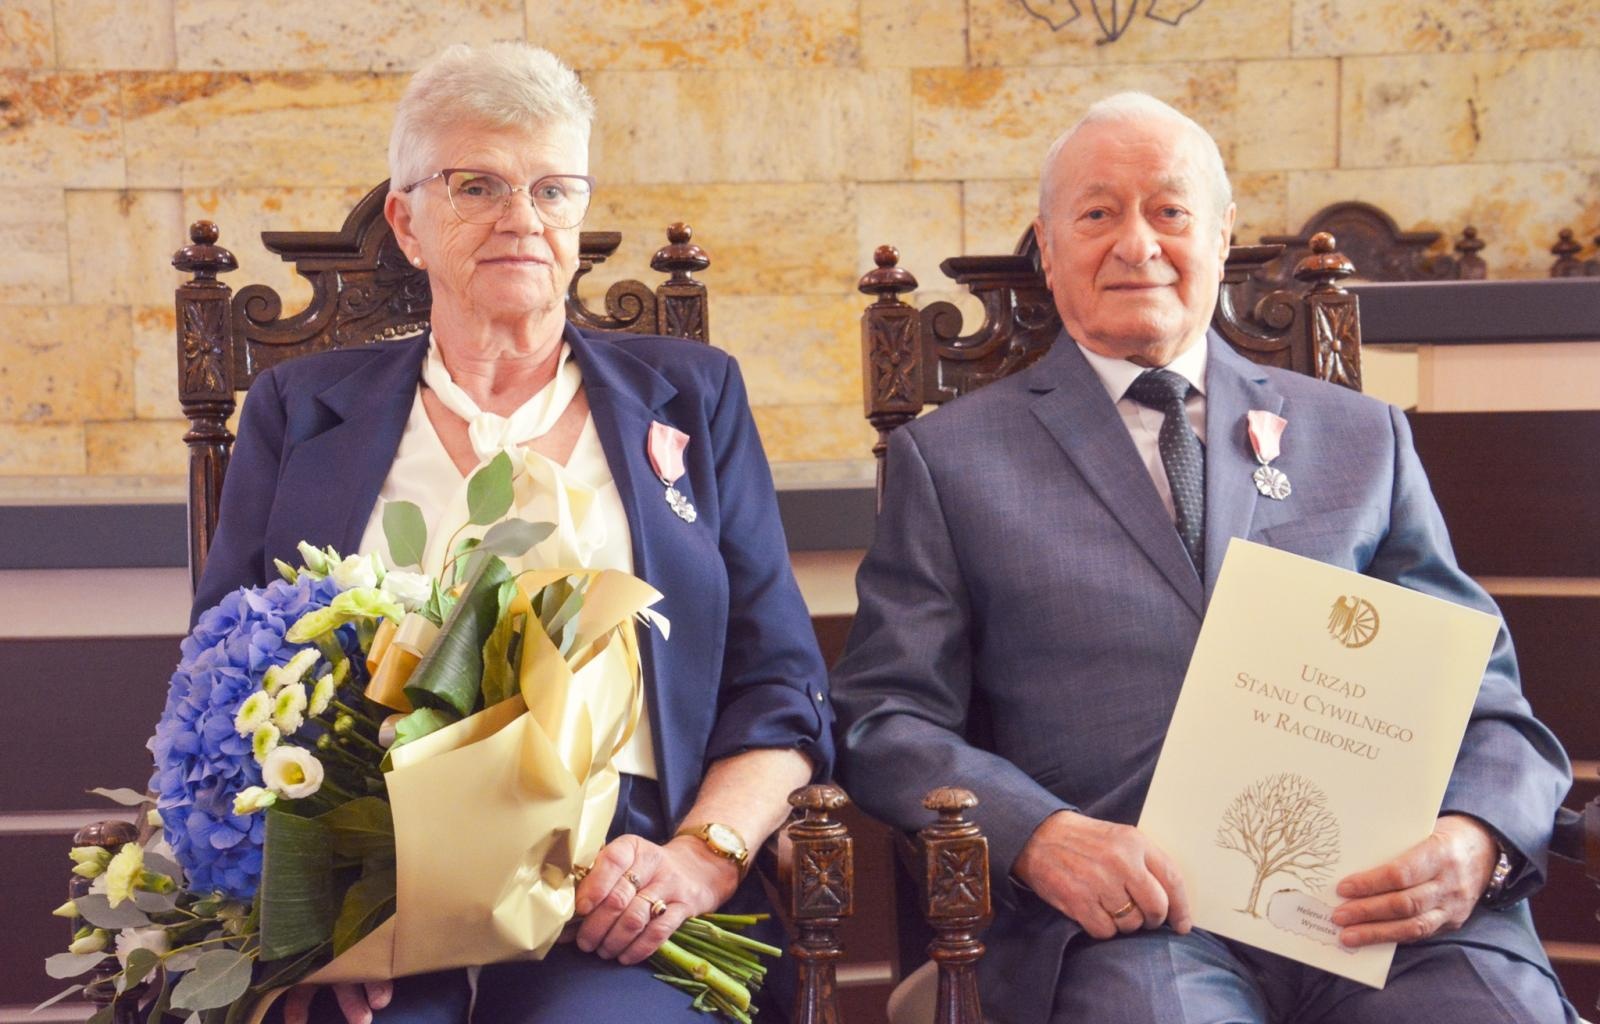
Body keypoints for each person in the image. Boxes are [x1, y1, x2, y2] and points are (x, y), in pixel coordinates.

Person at [830, 92, 1575, 1024]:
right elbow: (884, 714)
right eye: (1098, 214)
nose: (1137, 244)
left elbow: (1490, 704)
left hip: (1387, 914)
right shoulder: (951, 460)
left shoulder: (1362, 440)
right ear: (1047, 248)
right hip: (1135, 927)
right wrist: (1038, 836)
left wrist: (1476, 838)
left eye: (1170, 212)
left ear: (1222, 238)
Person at [193, 42, 832, 1024]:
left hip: (624, 899)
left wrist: (698, 860)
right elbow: (225, 679)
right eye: (476, 184)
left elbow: (781, 686)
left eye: (553, 188)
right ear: (406, 221)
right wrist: (305, 922)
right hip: (374, 907)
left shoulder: (695, 398)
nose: (521, 219)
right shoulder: (298, 409)